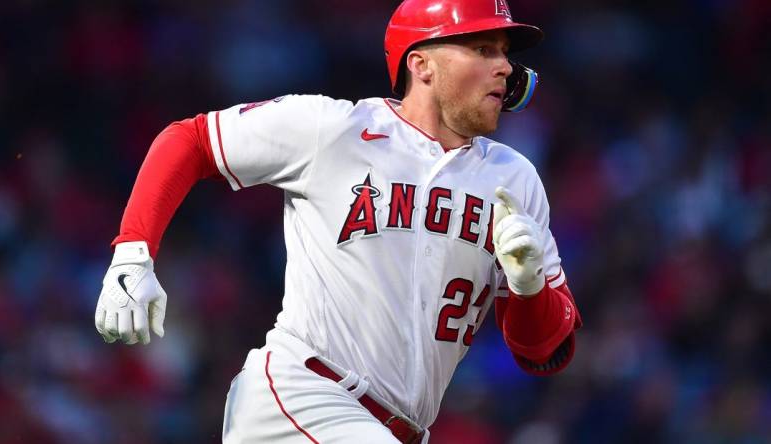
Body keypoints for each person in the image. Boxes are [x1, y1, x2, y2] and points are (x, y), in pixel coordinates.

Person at [94, 0, 582, 442]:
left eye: (504, 52)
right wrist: (133, 251)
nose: (504, 66)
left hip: (398, 429)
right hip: (303, 394)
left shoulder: (514, 179)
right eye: (482, 48)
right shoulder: (335, 130)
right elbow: (191, 140)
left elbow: (546, 354)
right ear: (422, 64)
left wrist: (529, 287)